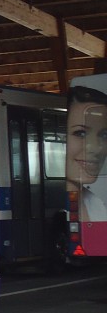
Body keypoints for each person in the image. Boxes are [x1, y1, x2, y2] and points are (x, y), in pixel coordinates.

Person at [66, 85, 107, 221]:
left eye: (104, 135)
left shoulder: (97, 204)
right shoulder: (47, 209)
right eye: (81, 133)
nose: (96, 148)